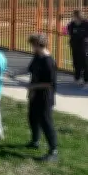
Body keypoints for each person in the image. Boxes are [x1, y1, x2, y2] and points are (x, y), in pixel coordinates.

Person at [26, 34, 59, 162]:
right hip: (34, 94)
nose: (31, 48)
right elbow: (31, 70)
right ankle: (35, 141)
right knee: (32, 118)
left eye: (32, 45)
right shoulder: (37, 56)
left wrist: (32, 86)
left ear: (38, 45)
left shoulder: (48, 61)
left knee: (46, 122)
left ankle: (53, 151)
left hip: (45, 96)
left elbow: (49, 83)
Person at [66, 10, 88, 89]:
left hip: (85, 47)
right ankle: (77, 79)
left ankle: (87, 82)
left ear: (78, 16)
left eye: (73, 16)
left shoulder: (87, 24)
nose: (72, 17)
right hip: (74, 47)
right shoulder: (72, 24)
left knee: (85, 64)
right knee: (76, 63)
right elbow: (69, 32)